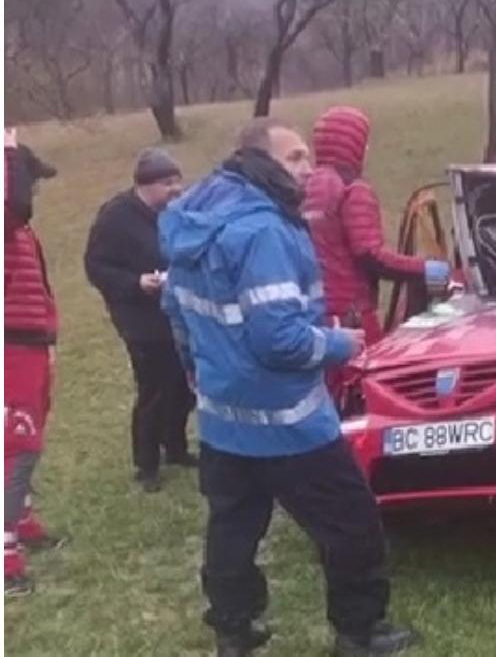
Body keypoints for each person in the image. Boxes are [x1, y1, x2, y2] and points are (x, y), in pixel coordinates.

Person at [159, 118, 419, 656]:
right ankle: (360, 631)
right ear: (262, 162)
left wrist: (196, 370)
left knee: (232, 531)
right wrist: (340, 344)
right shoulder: (265, 231)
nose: (308, 167)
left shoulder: (194, 219)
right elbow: (278, 339)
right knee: (352, 523)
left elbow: (175, 309)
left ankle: (234, 632)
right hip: (290, 423)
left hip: (223, 423)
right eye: (296, 157)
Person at [85, 149, 196, 493]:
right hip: (139, 317)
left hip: (175, 310)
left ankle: (175, 448)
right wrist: (135, 283)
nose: (176, 189)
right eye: (167, 183)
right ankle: (146, 464)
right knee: (154, 388)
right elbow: (96, 267)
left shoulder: (174, 212)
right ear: (144, 186)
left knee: (182, 384)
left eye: (178, 180)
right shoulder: (115, 217)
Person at [302, 106, 450, 349]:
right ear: (353, 145)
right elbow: (370, 255)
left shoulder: (307, 188)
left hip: (315, 313)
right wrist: (430, 269)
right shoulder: (353, 189)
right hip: (352, 314)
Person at [4, 128, 62, 596]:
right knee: (14, 448)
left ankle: (20, 520)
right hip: (9, 348)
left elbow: (39, 286)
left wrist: (50, 336)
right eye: (28, 179)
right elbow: (16, 204)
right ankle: (5, 559)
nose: (34, 189)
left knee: (31, 439)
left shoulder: (22, 230)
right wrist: (8, 153)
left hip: (31, 344)